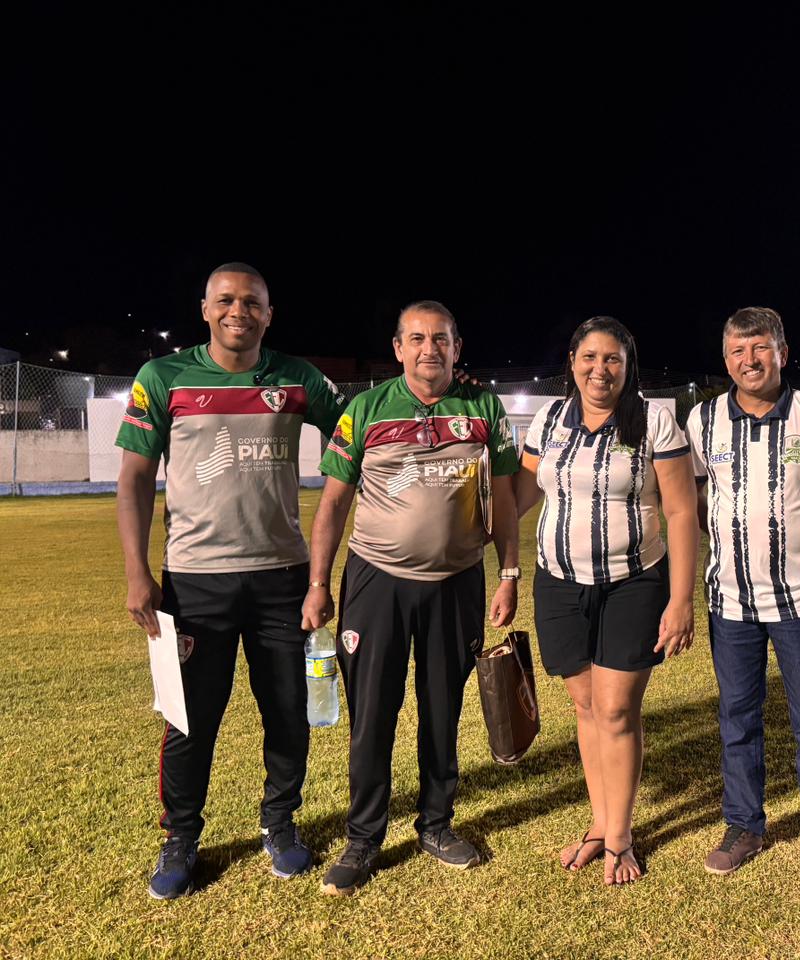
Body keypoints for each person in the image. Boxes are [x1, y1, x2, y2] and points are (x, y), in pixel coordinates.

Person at [117, 262, 348, 899]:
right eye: (226, 300)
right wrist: (139, 573)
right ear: (205, 308)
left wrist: (439, 391)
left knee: (288, 714)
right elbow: (135, 479)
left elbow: (357, 433)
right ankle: (180, 837)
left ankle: (280, 824)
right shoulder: (163, 377)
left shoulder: (296, 379)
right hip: (192, 583)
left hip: (282, 579)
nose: (238, 310)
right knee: (188, 720)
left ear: (269, 314)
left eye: (252, 302)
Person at [304, 300, 520, 896]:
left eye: (442, 339)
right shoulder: (366, 409)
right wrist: (319, 584)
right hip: (377, 581)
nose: (431, 349)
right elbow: (333, 505)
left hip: (457, 582)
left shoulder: (481, 406)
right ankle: (363, 837)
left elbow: (503, 496)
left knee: (442, 707)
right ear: (398, 348)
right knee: (373, 711)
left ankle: (436, 824)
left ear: (457, 346)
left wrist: (510, 573)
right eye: (418, 339)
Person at [686, 307, 800, 896]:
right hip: (730, 600)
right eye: (738, 351)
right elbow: (686, 494)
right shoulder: (704, 419)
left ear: (783, 353)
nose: (750, 360)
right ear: (726, 359)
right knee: (738, 719)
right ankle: (744, 825)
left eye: (760, 348)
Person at [513, 317, 698, 885]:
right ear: (572, 361)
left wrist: (683, 599)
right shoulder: (549, 419)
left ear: (627, 364)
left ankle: (619, 835)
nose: (600, 369)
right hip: (559, 583)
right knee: (587, 707)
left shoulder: (653, 421)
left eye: (612, 358)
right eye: (589, 357)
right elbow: (519, 494)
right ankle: (599, 821)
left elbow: (681, 511)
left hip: (633, 581)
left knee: (617, 710)